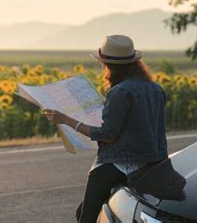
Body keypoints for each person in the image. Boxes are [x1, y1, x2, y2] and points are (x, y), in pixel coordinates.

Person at [42, 34, 168, 223]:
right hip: (153, 162)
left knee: (86, 217)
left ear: (108, 65)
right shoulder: (156, 88)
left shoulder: (119, 92)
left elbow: (107, 135)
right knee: (88, 210)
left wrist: (66, 119)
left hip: (119, 163)